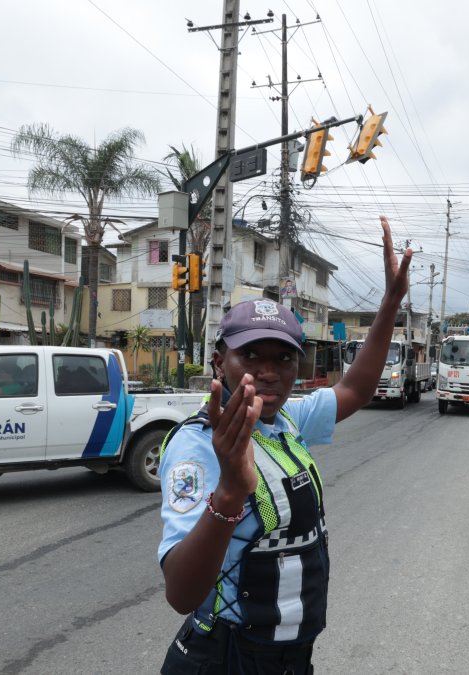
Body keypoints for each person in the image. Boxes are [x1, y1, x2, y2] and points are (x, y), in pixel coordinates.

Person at [156, 216, 411, 673]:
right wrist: (230, 493)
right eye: (250, 355)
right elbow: (181, 593)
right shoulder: (199, 445)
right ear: (220, 363)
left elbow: (356, 389)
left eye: (283, 357)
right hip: (229, 657)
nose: (268, 370)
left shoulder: (286, 419)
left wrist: (390, 304)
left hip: (290, 655)